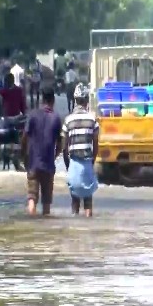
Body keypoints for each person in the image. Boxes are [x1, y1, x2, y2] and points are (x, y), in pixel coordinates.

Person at [21, 86, 62, 216]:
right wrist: (53, 157)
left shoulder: (32, 115)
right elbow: (60, 144)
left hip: (33, 163)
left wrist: (24, 156)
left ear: (42, 99)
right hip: (48, 166)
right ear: (53, 100)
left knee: (32, 198)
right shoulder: (56, 118)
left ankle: (32, 226)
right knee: (46, 205)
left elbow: (24, 138)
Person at [61, 83, 99, 218]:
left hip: (74, 163)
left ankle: (75, 230)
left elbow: (64, 147)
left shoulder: (68, 120)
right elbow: (96, 146)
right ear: (86, 100)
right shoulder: (92, 120)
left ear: (75, 100)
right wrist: (92, 162)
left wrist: (68, 165)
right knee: (88, 202)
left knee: (75, 201)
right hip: (87, 163)